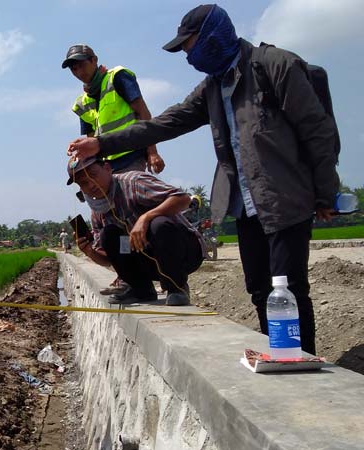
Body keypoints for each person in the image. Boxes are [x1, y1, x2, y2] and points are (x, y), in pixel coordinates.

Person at [67, 4, 339, 354]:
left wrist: (325, 193)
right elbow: (165, 123)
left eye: (190, 45)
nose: (189, 56)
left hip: (283, 193)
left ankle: (301, 359)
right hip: (244, 201)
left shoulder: (275, 66)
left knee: (288, 286)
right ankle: (281, 354)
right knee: (259, 287)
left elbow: (317, 132)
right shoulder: (212, 87)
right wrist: (102, 142)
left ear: (214, 35)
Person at [67, 155, 204, 306]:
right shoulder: (98, 211)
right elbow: (108, 259)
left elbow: (183, 199)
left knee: (158, 224)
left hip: (184, 253)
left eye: (93, 175)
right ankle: (141, 290)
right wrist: (89, 251)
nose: (91, 184)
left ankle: (177, 288)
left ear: (107, 168)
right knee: (109, 234)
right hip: (149, 260)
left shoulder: (133, 182)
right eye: (84, 183)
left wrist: (145, 218)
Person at [62, 43, 165, 175]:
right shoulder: (82, 104)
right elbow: (91, 139)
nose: (79, 72)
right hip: (106, 166)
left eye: (82, 65)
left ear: (94, 60)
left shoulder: (117, 77)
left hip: (132, 154)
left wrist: (152, 152)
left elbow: (143, 112)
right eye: (74, 69)